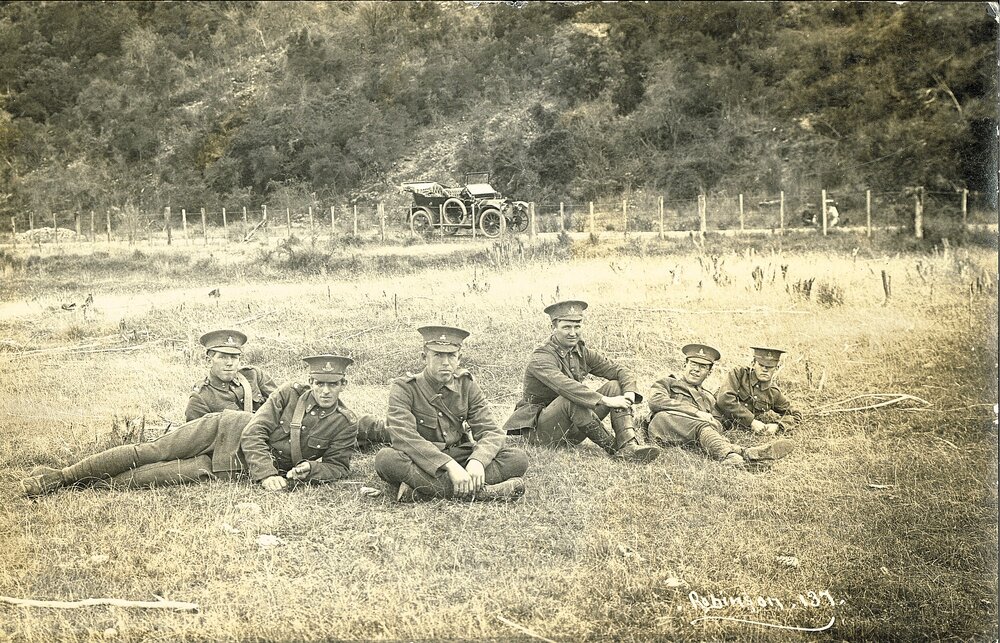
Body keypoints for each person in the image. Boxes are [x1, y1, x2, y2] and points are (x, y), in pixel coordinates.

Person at [21, 355, 366, 497]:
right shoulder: (290, 394)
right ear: (310, 381)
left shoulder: (345, 423)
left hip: (233, 466)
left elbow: (338, 465)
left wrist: (312, 470)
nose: (324, 390)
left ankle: (82, 487)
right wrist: (266, 475)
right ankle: (59, 477)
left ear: (342, 386)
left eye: (332, 385)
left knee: (157, 476)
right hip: (224, 429)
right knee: (152, 451)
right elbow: (256, 430)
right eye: (319, 384)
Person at [374, 326, 529, 502]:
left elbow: (491, 431)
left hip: (461, 456)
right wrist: (448, 465)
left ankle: (423, 492)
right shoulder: (404, 388)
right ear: (424, 357)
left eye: (451, 355)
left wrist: (478, 461)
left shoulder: (467, 385)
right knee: (386, 459)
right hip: (424, 460)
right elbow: (403, 436)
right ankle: (483, 493)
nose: (445, 362)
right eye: (438, 355)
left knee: (517, 459)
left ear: (459, 358)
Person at [503, 300, 660, 463]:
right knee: (572, 399)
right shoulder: (541, 357)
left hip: (573, 427)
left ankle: (629, 445)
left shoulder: (581, 351)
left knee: (615, 386)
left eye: (577, 326)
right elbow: (565, 387)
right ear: (553, 328)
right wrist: (606, 400)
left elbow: (620, 370)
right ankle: (615, 450)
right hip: (541, 431)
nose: (573, 333)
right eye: (566, 327)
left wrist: (628, 393)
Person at [647, 344, 793, 467]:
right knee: (674, 419)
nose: (696, 370)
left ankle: (744, 454)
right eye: (693, 364)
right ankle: (733, 454)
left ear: (709, 373)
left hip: (693, 436)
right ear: (684, 365)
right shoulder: (668, 382)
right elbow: (655, 400)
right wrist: (696, 413)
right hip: (664, 425)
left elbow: (717, 423)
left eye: (703, 367)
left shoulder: (709, 397)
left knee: (709, 428)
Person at [184, 330, 278, 421]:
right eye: (222, 357)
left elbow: (281, 403)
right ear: (209, 361)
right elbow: (197, 435)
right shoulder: (200, 398)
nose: (229, 363)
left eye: (234, 357)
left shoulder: (254, 375)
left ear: (239, 360)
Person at [715, 346, 803, 435]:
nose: (765, 370)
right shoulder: (739, 374)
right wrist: (751, 421)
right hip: (715, 417)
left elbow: (796, 414)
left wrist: (777, 425)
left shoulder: (773, 392)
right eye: (761, 365)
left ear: (777, 368)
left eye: (770, 367)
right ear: (753, 364)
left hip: (736, 430)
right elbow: (724, 399)